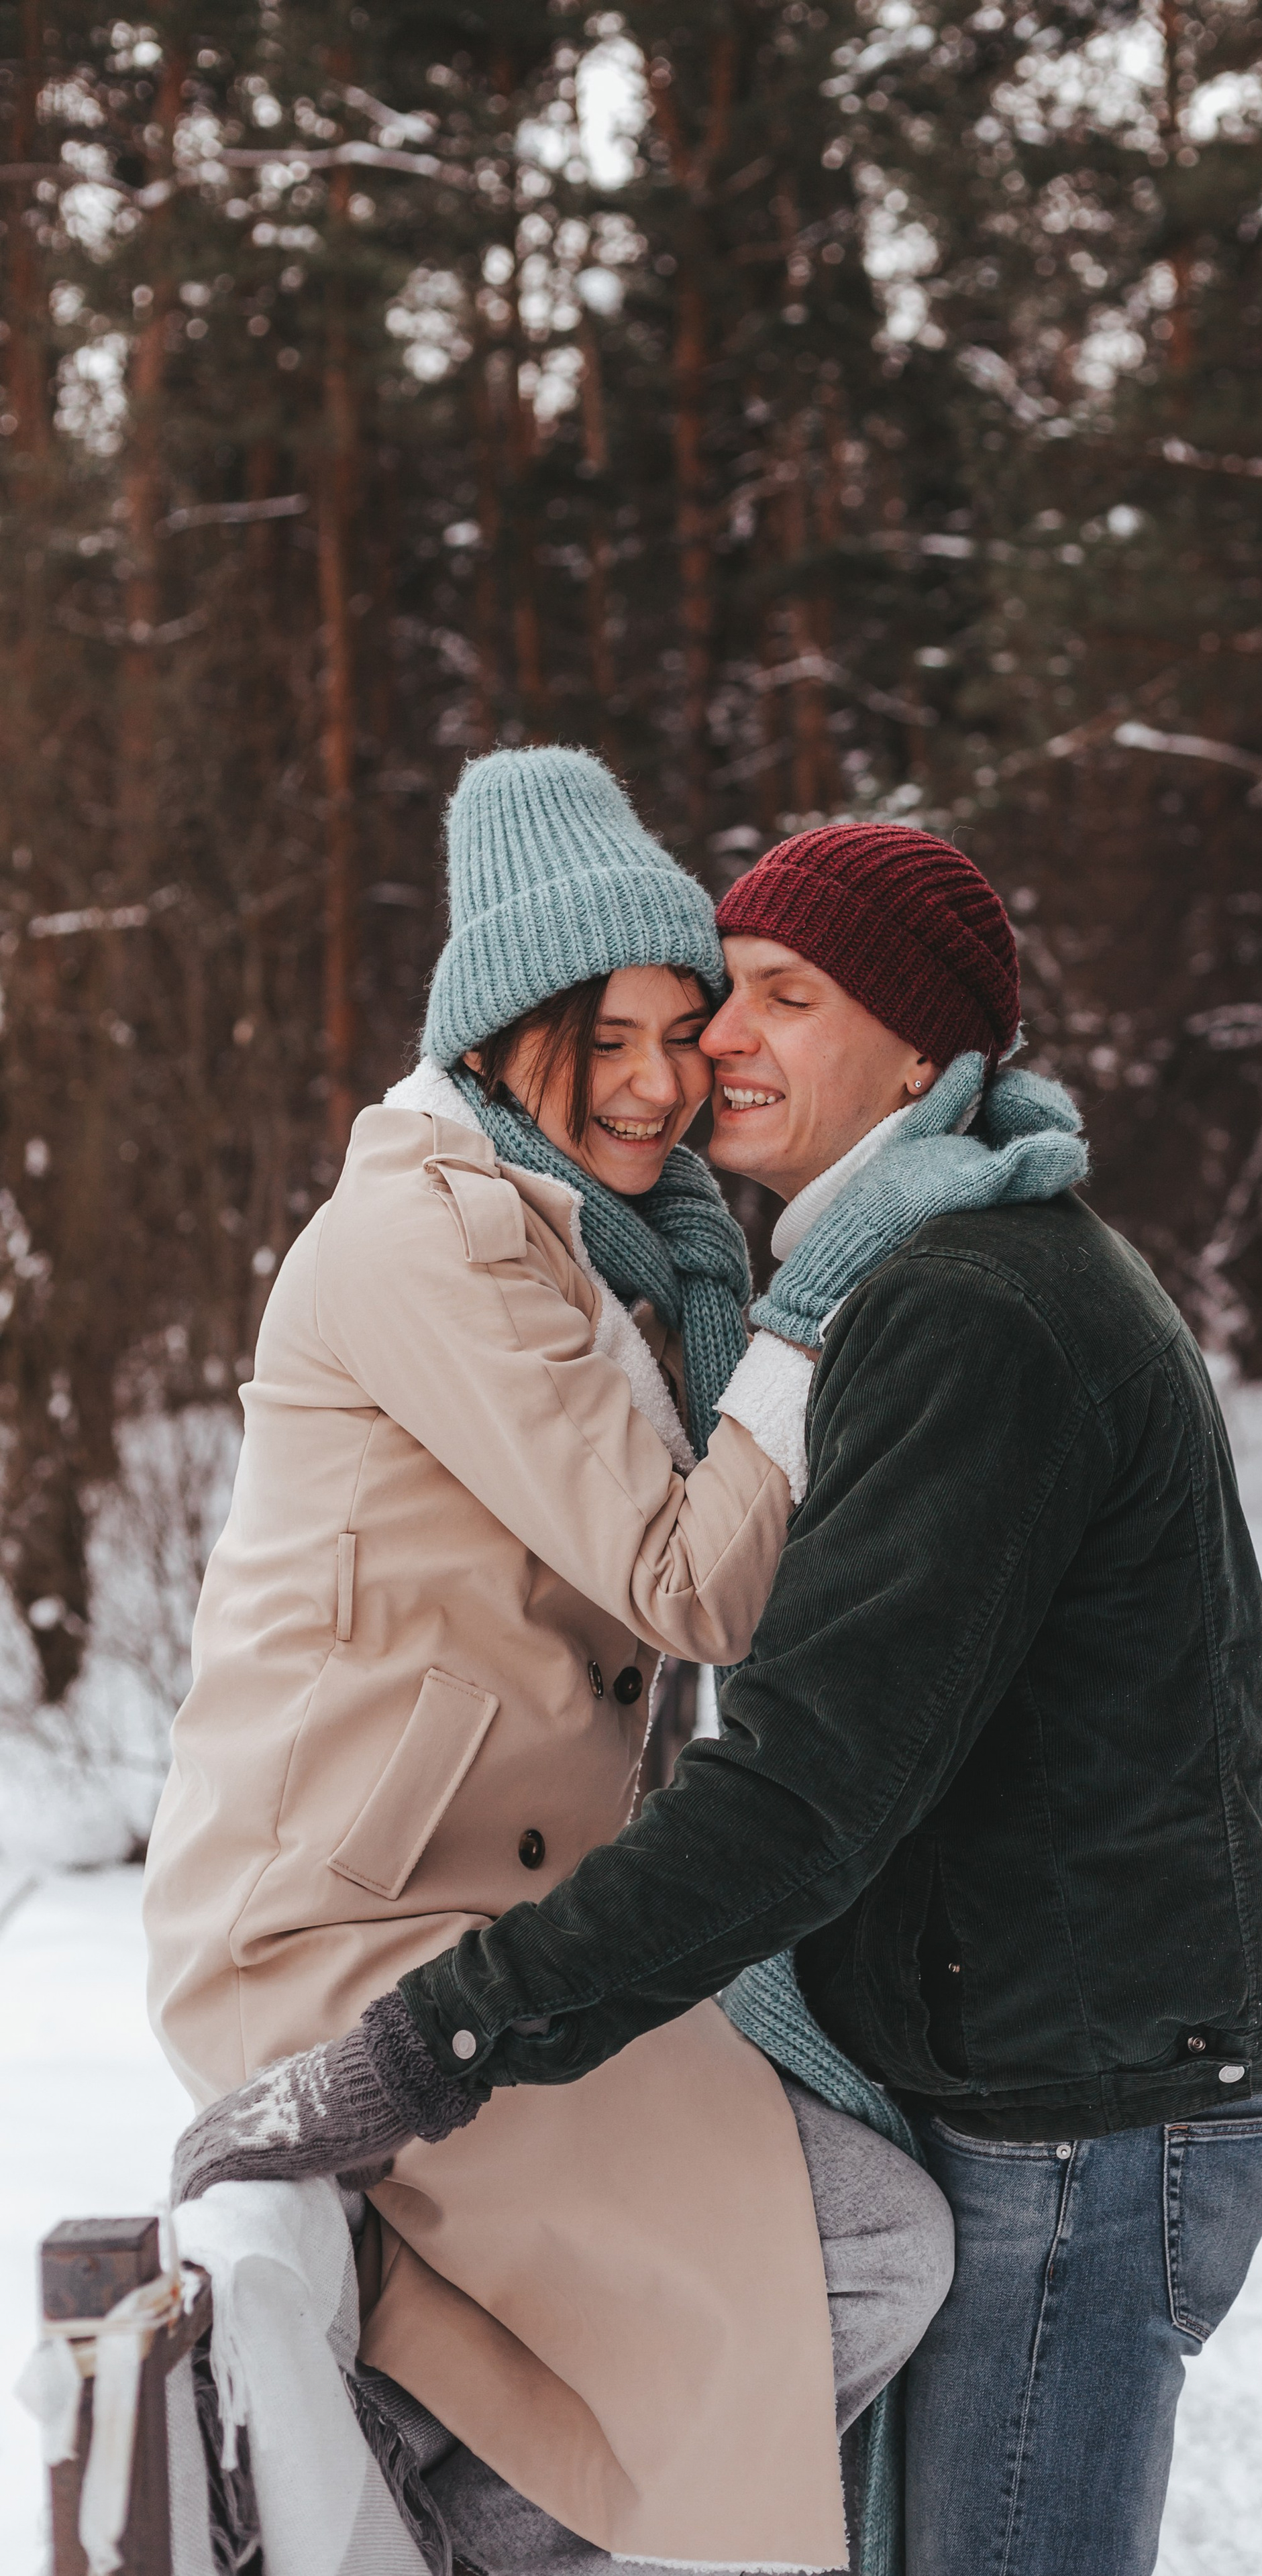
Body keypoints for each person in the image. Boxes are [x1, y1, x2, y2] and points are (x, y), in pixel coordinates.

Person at [172, 818, 1262, 2576]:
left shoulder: (966, 1308)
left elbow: (801, 1783)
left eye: (777, 999)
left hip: (1089, 2110)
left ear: (923, 1055)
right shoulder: (910, 1276)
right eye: (715, 1005)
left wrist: (450, 2032)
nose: (711, 1054)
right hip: (1052, 2066)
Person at [145, 757, 952, 2576]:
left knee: (828, 2207)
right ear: (515, 1033)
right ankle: (420, 2531)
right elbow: (691, 1579)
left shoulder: (600, 1255)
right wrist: (822, 1298)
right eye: (613, 1036)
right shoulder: (428, 1237)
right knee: (877, 2247)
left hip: (487, 1922)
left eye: (685, 1030)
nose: (665, 1082)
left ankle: (410, 2500)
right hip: (339, 1936)